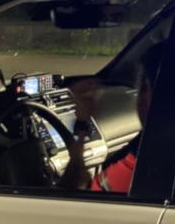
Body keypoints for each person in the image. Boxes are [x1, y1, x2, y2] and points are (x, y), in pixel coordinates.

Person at [62, 40, 165, 193]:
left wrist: (82, 125)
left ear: (147, 91)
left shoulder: (139, 170)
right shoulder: (166, 145)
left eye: (141, 87)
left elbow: (69, 201)